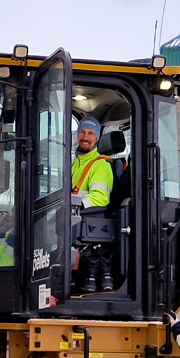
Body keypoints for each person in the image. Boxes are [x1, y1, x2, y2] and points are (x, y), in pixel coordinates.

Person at [71, 117, 117, 293]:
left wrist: (75, 204)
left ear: (97, 138)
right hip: (74, 217)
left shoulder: (101, 165)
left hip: (86, 220)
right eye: (82, 132)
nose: (85, 137)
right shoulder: (74, 164)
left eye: (90, 133)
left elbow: (101, 197)